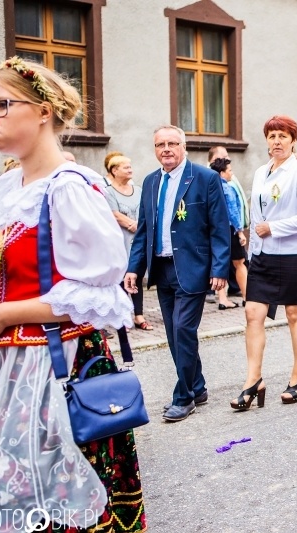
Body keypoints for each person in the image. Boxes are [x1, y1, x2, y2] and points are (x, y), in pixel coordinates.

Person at [0, 56, 146, 530]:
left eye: (2, 105)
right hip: (5, 366)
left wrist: (2, 315)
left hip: (57, 361)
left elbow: (100, 288)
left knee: (61, 497)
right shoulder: (5, 190)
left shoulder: (68, 188)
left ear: (44, 111)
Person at [125, 125, 230, 422]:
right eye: (160, 144)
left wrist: (219, 269)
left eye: (172, 143)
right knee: (174, 334)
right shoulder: (149, 182)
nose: (166, 149)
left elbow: (220, 227)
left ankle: (183, 397)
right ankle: (197, 386)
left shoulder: (205, 178)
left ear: (183, 147)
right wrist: (134, 267)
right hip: (162, 268)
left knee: (183, 329)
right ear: (155, 149)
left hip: (193, 268)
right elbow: (144, 229)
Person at [231, 115, 297, 411]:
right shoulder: (260, 172)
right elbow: (256, 216)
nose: (276, 141)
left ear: (293, 140)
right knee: (253, 314)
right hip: (263, 255)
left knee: (295, 314)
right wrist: (253, 249)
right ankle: (252, 380)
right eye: (272, 136)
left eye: (282, 136)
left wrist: (274, 228)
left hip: (292, 254)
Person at [104, 154, 152, 335]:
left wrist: (140, 229)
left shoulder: (138, 190)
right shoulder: (108, 191)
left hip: (137, 241)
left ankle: (139, 315)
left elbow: (145, 211)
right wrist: (134, 226)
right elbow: (114, 214)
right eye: (125, 167)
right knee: (121, 279)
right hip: (120, 240)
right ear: (114, 170)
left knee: (138, 276)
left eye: (130, 166)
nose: (130, 169)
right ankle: (122, 317)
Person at [210, 157, 248, 309]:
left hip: (215, 230)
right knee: (239, 263)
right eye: (230, 170)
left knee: (220, 263)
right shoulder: (227, 188)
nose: (232, 173)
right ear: (222, 173)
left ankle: (222, 299)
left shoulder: (210, 188)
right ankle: (247, 296)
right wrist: (240, 232)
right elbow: (233, 211)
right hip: (230, 230)